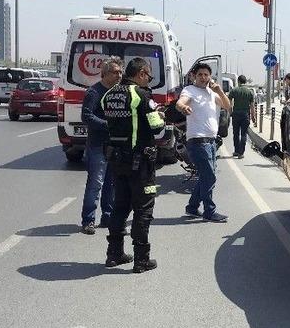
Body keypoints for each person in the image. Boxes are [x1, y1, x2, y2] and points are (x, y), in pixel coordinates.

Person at [101, 57, 165, 273]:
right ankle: (141, 260)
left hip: (117, 161)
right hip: (141, 162)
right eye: (149, 76)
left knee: (120, 207)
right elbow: (157, 128)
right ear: (141, 74)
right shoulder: (142, 95)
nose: (149, 80)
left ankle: (114, 254)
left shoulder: (109, 95)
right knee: (143, 210)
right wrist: (161, 117)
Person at [176, 63, 232, 222]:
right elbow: (181, 102)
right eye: (200, 74)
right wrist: (183, 107)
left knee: (205, 177)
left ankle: (192, 207)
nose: (203, 78)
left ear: (210, 77)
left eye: (206, 75)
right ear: (194, 76)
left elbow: (228, 107)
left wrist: (219, 90)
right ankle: (209, 210)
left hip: (212, 142)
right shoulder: (190, 91)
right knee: (210, 176)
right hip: (198, 141)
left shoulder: (212, 93)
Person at [79, 57, 122, 235]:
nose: (119, 75)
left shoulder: (119, 91)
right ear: (104, 74)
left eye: (121, 72)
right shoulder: (94, 92)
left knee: (111, 183)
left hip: (115, 145)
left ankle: (108, 216)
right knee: (96, 183)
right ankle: (88, 220)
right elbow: (86, 116)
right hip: (98, 145)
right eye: (115, 72)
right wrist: (107, 125)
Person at [227, 75, 256, 158]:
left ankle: (236, 151)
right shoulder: (250, 92)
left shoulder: (234, 90)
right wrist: (253, 116)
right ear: (245, 82)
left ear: (238, 81)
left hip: (236, 114)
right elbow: (252, 106)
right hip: (245, 115)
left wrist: (230, 112)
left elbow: (229, 101)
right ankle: (241, 153)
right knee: (243, 134)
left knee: (235, 133)